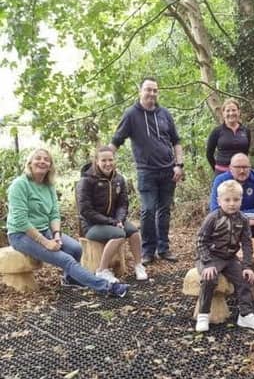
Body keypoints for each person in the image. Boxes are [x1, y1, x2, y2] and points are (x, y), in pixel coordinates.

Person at [7, 149, 129, 297]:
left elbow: (53, 214)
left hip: (45, 229)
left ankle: (69, 279)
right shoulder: (19, 185)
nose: (42, 161)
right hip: (21, 235)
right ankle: (108, 287)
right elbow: (21, 221)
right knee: (66, 260)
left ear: (50, 165)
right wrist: (46, 243)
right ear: (30, 163)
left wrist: (57, 235)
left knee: (76, 249)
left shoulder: (48, 185)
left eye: (46, 159)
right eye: (38, 158)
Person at [110, 77, 184, 265]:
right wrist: (103, 162)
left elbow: (176, 141)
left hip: (168, 170)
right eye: (148, 90)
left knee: (164, 210)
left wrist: (179, 165)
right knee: (148, 210)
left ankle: (163, 248)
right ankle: (148, 251)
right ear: (140, 91)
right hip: (146, 171)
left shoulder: (165, 114)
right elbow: (116, 140)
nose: (151, 93)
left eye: (155, 90)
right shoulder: (131, 114)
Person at [195, 179, 254, 332]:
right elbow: (201, 240)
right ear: (219, 200)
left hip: (229, 258)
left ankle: (245, 315)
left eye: (236, 199)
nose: (232, 203)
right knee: (210, 278)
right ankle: (203, 314)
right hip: (210, 256)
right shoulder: (213, 218)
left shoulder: (243, 219)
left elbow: (247, 244)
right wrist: (207, 263)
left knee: (244, 278)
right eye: (227, 200)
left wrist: (247, 266)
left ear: (241, 200)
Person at [76, 146, 148, 282]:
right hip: (91, 225)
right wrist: (112, 222)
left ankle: (139, 265)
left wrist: (119, 219)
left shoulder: (118, 179)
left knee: (134, 232)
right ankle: (102, 270)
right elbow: (85, 210)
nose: (108, 163)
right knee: (119, 235)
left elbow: (123, 204)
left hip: (113, 221)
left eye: (110, 160)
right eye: (104, 160)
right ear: (96, 161)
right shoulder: (86, 180)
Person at [209, 153, 254, 237]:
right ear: (230, 168)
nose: (242, 171)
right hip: (230, 225)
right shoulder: (221, 180)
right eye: (238, 167)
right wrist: (242, 220)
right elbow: (215, 210)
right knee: (218, 223)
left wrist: (245, 218)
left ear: (250, 168)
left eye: (245, 167)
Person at [206, 98, 251, 175]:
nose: (231, 113)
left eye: (234, 110)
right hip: (222, 172)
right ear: (223, 113)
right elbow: (209, 154)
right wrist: (217, 169)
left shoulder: (245, 131)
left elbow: (246, 152)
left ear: (239, 112)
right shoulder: (217, 131)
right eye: (228, 111)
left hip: (241, 174)